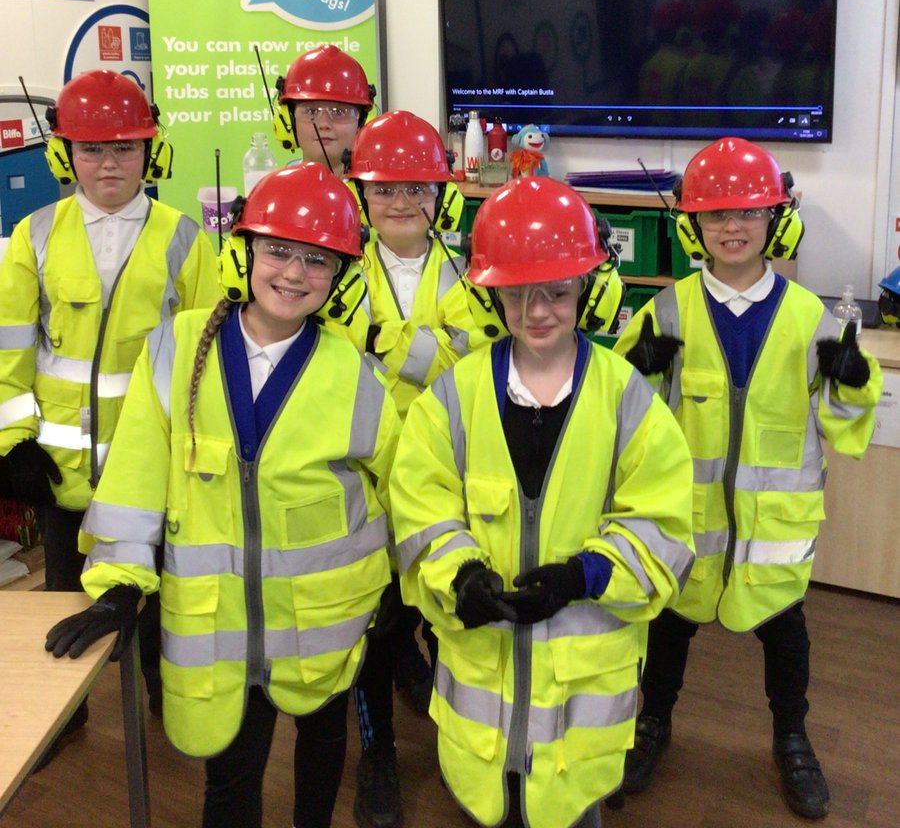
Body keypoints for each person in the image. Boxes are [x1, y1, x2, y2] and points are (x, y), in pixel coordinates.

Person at [45, 162, 401, 828]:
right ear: (245, 251)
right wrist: (123, 582)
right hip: (218, 626)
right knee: (231, 781)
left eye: (317, 261)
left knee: (324, 751)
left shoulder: (357, 375)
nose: (294, 274)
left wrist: (401, 590)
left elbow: (403, 487)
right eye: (278, 251)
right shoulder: (176, 350)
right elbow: (137, 473)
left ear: (340, 277)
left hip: (327, 617)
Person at [389, 176, 695, 828]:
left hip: (581, 714)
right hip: (480, 708)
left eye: (556, 292)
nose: (536, 312)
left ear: (586, 288)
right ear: (489, 292)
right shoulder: (453, 395)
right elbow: (422, 503)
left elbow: (663, 524)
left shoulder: (626, 397)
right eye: (516, 294)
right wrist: (460, 574)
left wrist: (586, 574)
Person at [614, 136, 883, 821]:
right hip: (687, 520)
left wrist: (852, 383)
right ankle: (653, 725)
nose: (732, 228)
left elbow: (842, 413)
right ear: (692, 226)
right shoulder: (666, 310)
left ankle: (791, 737)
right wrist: (639, 366)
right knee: (669, 631)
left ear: (777, 220)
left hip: (774, 529)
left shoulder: (808, 316)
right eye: (715, 215)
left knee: (785, 635)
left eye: (749, 213)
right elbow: (624, 412)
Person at [0, 68, 218, 735]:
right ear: (65, 155)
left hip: (150, 474)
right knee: (65, 601)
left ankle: (162, 695)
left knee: (160, 600)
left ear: (149, 152)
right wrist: (14, 444)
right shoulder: (33, 236)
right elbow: (9, 351)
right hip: (60, 475)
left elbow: (204, 360)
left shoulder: (186, 238)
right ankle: (63, 718)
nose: (109, 163)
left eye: (125, 147)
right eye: (92, 149)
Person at [342, 109, 478, 828]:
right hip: (359, 475)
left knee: (447, 612)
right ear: (361, 194)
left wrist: (373, 337)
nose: (401, 203)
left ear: (442, 194)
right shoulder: (336, 263)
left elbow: (465, 356)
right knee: (374, 624)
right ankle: (380, 756)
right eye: (384, 188)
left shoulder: (467, 267)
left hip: (443, 476)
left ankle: (465, 745)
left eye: (416, 188)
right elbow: (433, 353)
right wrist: (419, 344)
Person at [273, 43, 375, 175]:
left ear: (362, 123)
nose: (324, 124)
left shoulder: (378, 194)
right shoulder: (276, 192)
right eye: (311, 111)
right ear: (289, 120)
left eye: (339, 112)